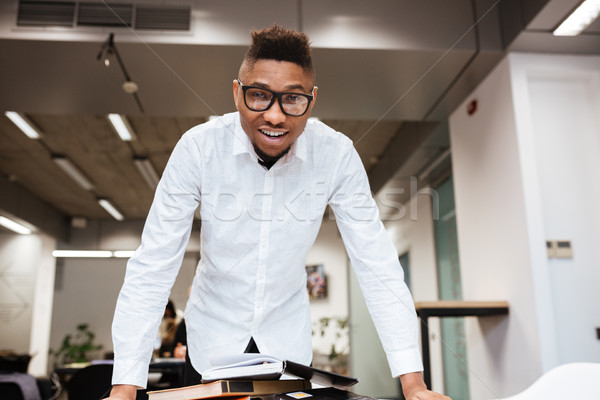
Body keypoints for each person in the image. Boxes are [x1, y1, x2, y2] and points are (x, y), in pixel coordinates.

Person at [107, 25, 450, 400]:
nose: (275, 116)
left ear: (312, 100)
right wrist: (125, 387)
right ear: (237, 93)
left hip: (287, 348)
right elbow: (153, 266)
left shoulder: (335, 154)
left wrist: (413, 385)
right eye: (259, 96)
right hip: (210, 347)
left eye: (293, 100)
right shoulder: (198, 149)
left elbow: (377, 266)